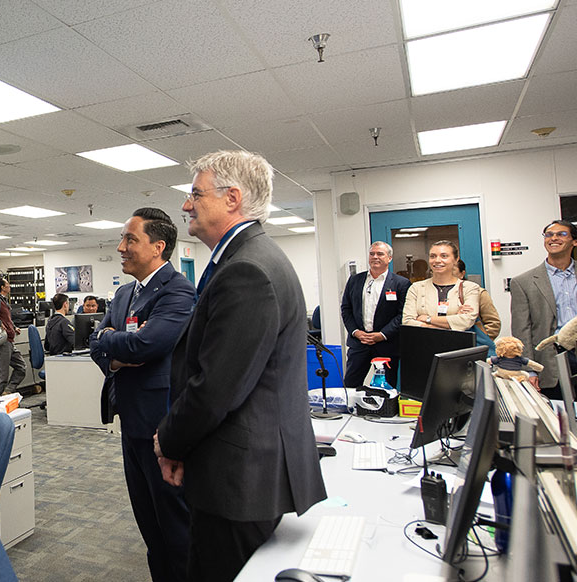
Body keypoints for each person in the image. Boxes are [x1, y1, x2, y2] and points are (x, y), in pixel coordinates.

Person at [154, 151, 326, 582]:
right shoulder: (255, 257)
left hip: (240, 483)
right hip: (250, 473)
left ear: (232, 198)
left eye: (195, 194)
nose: (186, 205)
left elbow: (215, 388)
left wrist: (169, 441)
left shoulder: (246, 269)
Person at [90, 207, 195, 582]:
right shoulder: (122, 295)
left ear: (158, 247)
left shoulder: (179, 291)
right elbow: (95, 343)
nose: (121, 247)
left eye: (130, 239)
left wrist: (117, 343)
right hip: (130, 425)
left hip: (161, 428)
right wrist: (116, 357)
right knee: (150, 529)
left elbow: (147, 345)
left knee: (176, 529)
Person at [510, 219, 577, 397]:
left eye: (561, 234)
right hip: (552, 362)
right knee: (559, 419)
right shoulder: (523, 282)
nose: (553, 238)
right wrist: (529, 370)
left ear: (574, 241)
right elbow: (521, 330)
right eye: (549, 235)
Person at [339, 241, 410, 387]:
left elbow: (402, 315)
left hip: (386, 344)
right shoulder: (355, 280)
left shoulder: (401, 283)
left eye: (380, 254)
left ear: (389, 258)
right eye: (372, 254)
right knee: (350, 385)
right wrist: (356, 332)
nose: (375, 257)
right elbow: (346, 309)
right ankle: (352, 410)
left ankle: (384, 411)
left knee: (387, 389)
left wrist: (382, 334)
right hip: (359, 343)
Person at [402, 240, 480, 331]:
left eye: (444, 256)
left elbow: (466, 321)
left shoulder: (470, 288)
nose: (437, 260)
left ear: (456, 259)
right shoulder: (416, 288)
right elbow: (407, 322)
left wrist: (428, 319)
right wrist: (453, 321)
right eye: (433, 256)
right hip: (424, 342)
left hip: (460, 343)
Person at [0, 277, 27, 395]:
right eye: (7, 284)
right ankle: (0, 400)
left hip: (9, 340)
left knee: (21, 367)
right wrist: (0, 323)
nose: (9, 285)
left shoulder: (3, 300)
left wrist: (13, 326)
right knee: (2, 376)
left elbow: (6, 317)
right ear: (2, 287)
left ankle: (7, 392)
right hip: (2, 342)